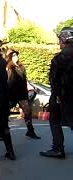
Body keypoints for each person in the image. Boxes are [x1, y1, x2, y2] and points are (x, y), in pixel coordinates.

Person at [40, 27, 73, 159]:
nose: (59, 43)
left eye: (60, 40)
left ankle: (58, 149)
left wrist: (58, 95)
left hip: (63, 95)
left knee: (54, 119)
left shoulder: (60, 57)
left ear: (64, 40)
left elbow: (55, 79)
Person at [6, 49, 40, 139]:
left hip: (22, 93)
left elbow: (25, 79)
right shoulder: (9, 67)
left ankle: (30, 131)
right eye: (13, 56)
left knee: (28, 111)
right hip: (11, 94)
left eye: (16, 55)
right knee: (4, 112)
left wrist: (29, 86)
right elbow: (8, 81)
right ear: (10, 57)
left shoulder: (21, 67)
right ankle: (1, 130)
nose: (16, 57)